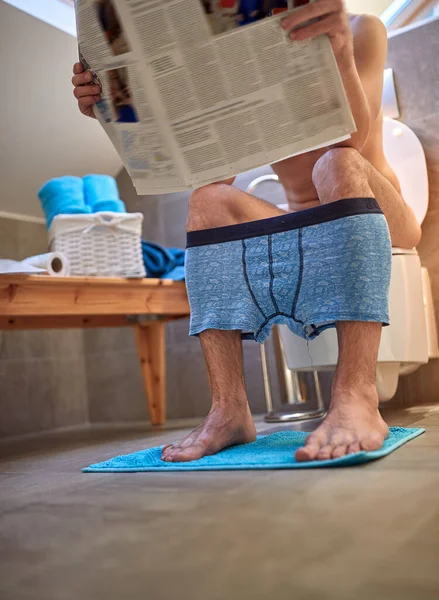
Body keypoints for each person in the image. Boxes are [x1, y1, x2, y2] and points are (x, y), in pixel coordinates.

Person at [72, 0, 421, 463]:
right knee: (206, 201)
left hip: (379, 208)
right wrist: (114, 107)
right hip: (303, 220)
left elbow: (350, 143)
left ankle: (357, 396)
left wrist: (337, 47)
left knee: (336, 163)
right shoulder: (229, 49)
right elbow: (212, 175)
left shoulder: (362, 28)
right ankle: (229, 410)